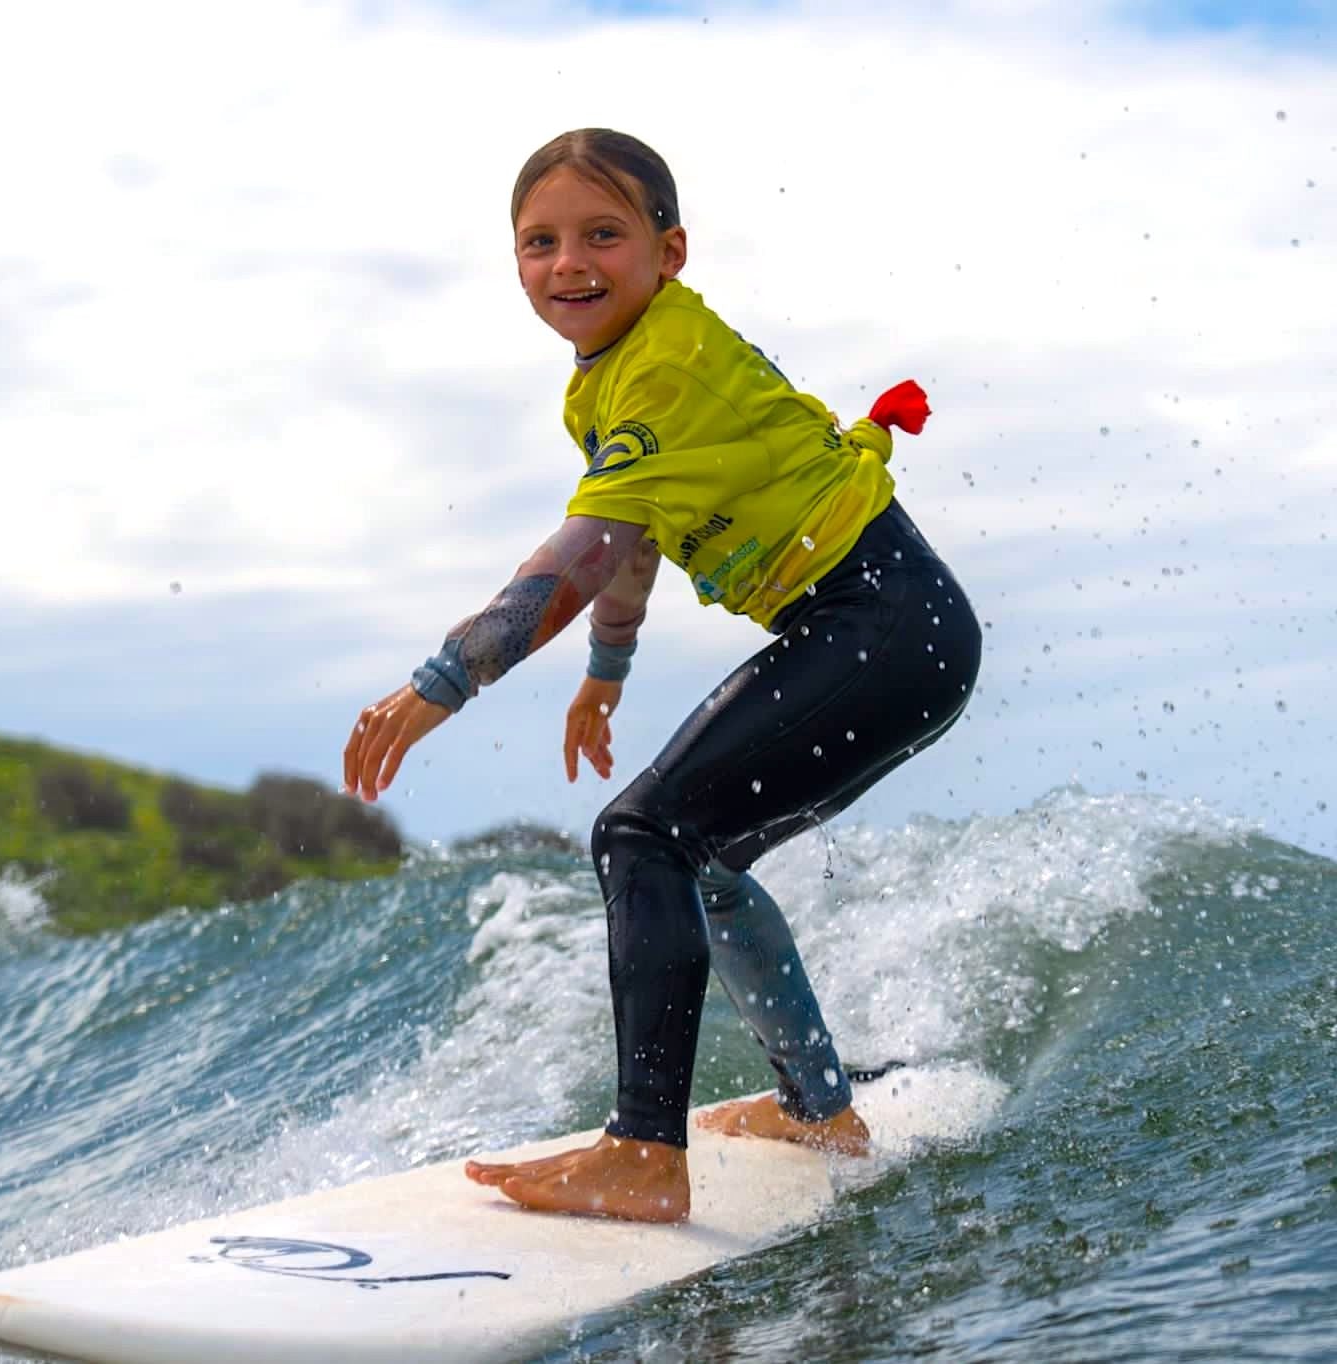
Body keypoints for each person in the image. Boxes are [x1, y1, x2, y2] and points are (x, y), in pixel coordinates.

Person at [342, 129, 981, 1223]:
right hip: (890, 630)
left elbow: (582, 553)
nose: (567, 263)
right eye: (537, 241)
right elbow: (633, 537)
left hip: (882, 621)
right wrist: (605, 669)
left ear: (667, 250)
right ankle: (818, 1109)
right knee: (699, 855)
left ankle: (644, 1152)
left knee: (640, 834)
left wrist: (442, 679)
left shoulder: (664, 368)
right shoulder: (606, 382)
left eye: (601, 234)